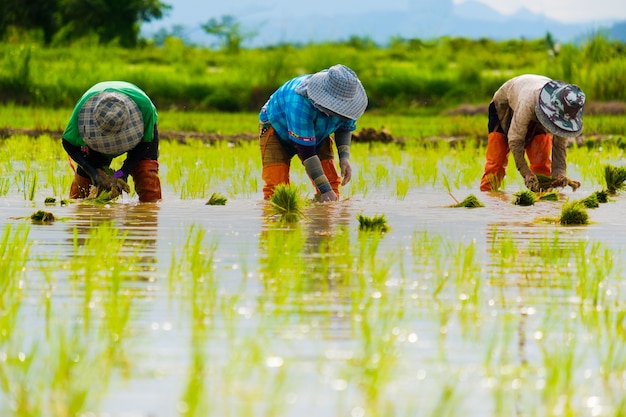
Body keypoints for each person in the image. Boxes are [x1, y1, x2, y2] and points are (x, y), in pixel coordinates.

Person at [259, 64, 368, 201]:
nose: (339, 114)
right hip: (277, 128)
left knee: (331, 183)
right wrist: (325, 191)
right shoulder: (299, 103)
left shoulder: (349, 102)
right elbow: (308, 153)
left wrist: (344, 158)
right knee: (277, 191)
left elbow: (344, 127)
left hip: (318, 132)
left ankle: (323, 219)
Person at [479, 74, 585, 192]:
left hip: (538, 112)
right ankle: (488, 199)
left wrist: (559, 173)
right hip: (507, 106)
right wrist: (526, 174)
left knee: (542, 167)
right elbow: (515, 140)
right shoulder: (528, 102)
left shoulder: (567, 109)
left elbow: (559, 144)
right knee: (496, 165)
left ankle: (542, 204)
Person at [62, 80, 162, 202]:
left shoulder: (144, 107)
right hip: (96, 138)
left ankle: (149, 212)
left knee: (147, 179)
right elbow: (68, 142)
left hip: (140, 136)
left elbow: (145, 143)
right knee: (81, 193)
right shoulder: (81, 111)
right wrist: (93, 172)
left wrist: (123, 172)